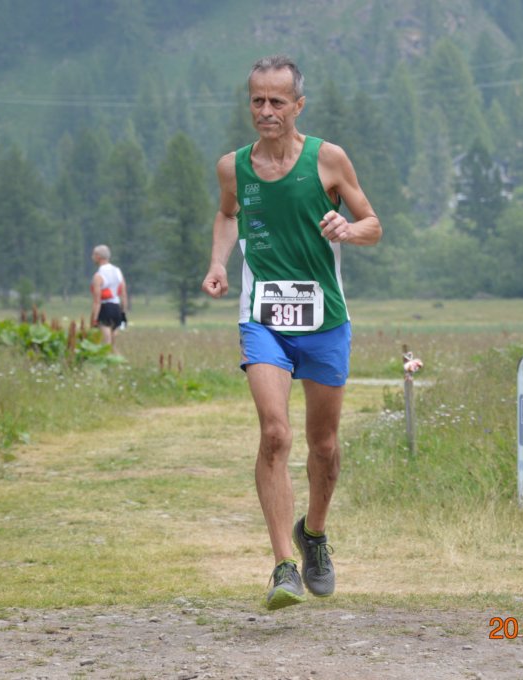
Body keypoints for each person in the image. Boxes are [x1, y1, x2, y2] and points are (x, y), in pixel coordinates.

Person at [200, 55, 382, 610]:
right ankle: (283, 566)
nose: (266, 110)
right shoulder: (233, 167)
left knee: (323, 445)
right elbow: (227, 215)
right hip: (263, 318)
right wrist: (218, 263)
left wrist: (348, 229)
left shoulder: (328, 159)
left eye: (277, 101)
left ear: (298, 105)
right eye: (257, 100)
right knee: (275, 434)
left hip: (324, 318)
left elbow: (373, 225)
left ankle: (314, 535)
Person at [90, 244, 128, 352]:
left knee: (106, 344)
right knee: (113, 345)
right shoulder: (118, 271)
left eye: (93, 255)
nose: (92, 257)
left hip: (105, 308)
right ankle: (119, 361)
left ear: (98, 257)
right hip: (116, 309)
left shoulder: (98, 275)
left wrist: (94, 319)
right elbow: (123, 294)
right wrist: (123, 314)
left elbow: (97, 301)